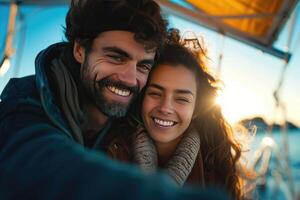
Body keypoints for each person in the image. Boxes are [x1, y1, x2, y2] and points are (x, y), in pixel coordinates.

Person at [0, 1, 228, 199]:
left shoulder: (128, 115)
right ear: (80, 49)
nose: (130, 79)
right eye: (116, 57)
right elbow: (40, 161)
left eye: (143, 66)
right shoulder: (25, 103)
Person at [104, 29, 250, 200]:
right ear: (141, 97)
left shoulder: (216, 166)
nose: (165, 107)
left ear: (196, 109)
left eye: (181, 99)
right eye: (155, 93)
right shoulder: (109, 154)